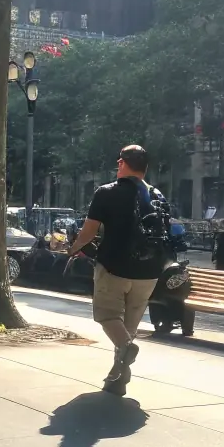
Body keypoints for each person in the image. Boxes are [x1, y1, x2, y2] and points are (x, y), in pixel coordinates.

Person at [66, 144, 168, 395]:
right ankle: (118, 376)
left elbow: (88, 232)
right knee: (128, 326)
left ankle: (126, 349)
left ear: (122, 163)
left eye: (119, 161)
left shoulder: (106, 192)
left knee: (108, 316)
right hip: (150, 271)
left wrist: (73, 248)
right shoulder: (158, 195)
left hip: (114, 267)